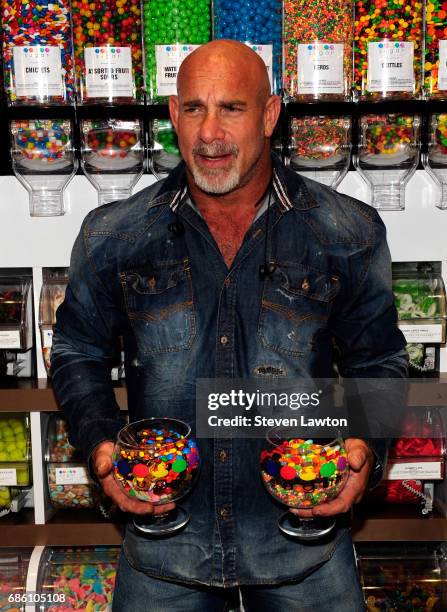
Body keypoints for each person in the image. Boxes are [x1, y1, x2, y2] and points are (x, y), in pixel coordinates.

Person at [51, 40, 408, 611]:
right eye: (194, 108)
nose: (209, 133)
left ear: (269, 115)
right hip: (166, 544)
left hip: (302, 543)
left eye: (232, 109)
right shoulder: (114, 234)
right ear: (172, 116)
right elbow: (76, 351)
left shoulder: (346, 231)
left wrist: (366, 444)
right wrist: (100, 447)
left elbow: (379, 358)